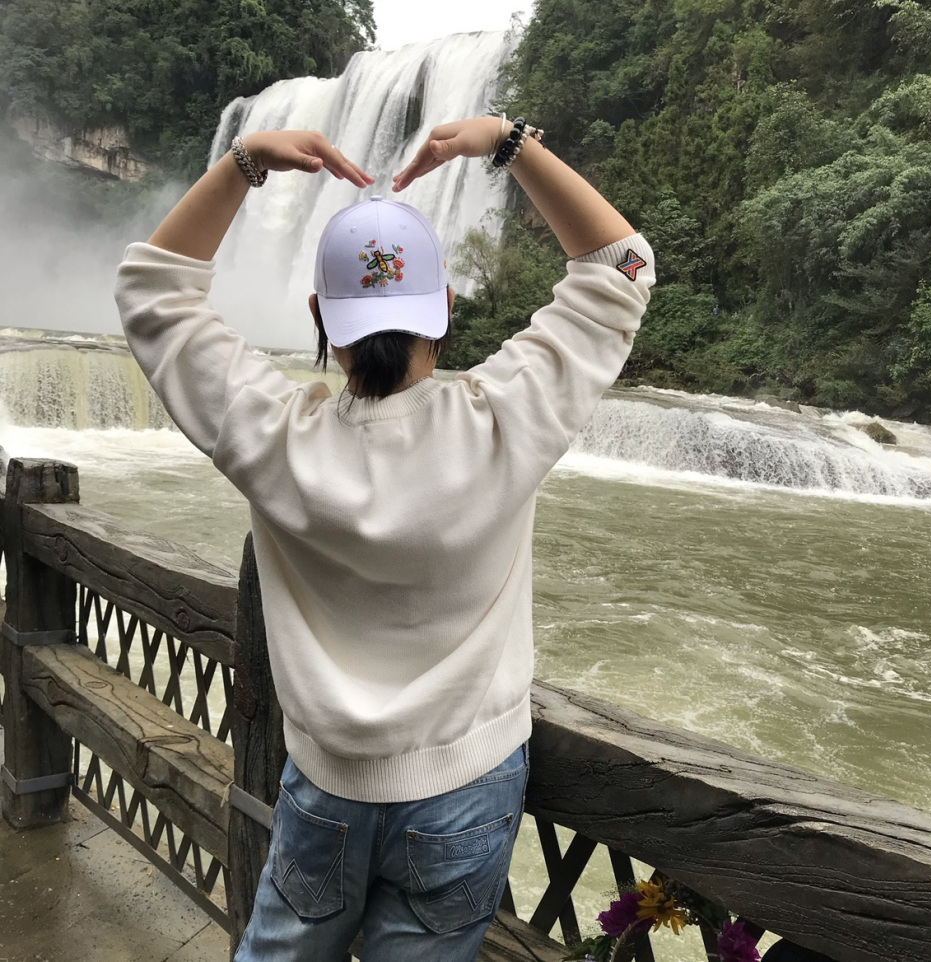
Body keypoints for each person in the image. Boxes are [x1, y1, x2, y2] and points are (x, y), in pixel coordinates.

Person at [115, 115, 655, 962]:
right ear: (445, 307)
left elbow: (152, 293)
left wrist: (245, 161)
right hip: (468, 784)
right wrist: (508, 143)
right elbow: (622, 265)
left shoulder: (275, 437)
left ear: (319, 318)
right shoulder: (503, 422)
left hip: (327, 782)